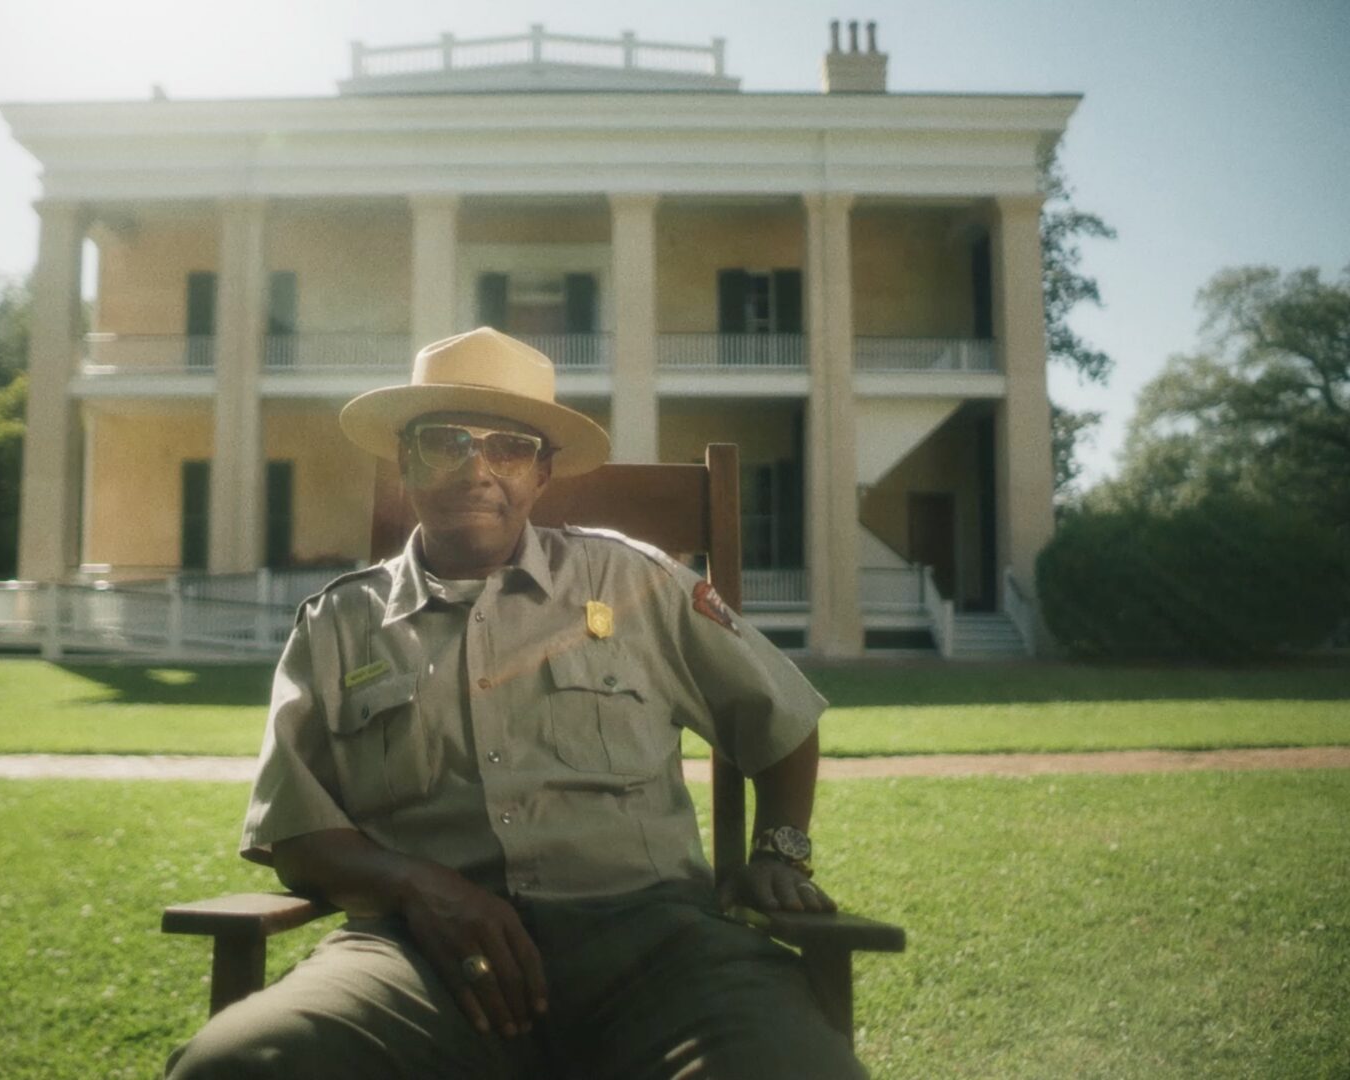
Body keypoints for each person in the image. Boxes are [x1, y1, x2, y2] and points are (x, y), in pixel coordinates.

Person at [166, 328, 866, 1080]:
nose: (476, 468)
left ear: (541, 474)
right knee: (238, 1066)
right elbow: (298, 835)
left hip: (658, 950)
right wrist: (422, 887)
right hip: (419, 960)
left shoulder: (633, 583)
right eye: (444, 443)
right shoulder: (340, 624)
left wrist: (780, 850)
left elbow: (780, 715)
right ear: (404, 466)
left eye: (506, 446)